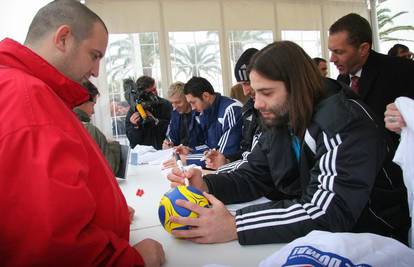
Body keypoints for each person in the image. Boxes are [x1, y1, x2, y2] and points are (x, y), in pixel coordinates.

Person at [167, 41, 409, 245]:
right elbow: (253, 174)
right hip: (326, 239)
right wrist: (207, 185)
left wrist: (235, 225)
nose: (258, 104)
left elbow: (327, 211)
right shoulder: (282, 116)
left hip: (373, 240)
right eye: (255, 93)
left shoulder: (344, 121)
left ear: (297, 87)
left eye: (267, 93)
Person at [0, 1, 164, 266]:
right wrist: (130, 260)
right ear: (63, 38)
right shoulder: (27, 99)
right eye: (95, 55)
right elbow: (50, 242)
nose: (96, 71)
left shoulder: (23, 90)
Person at [328, 13, 414, 150]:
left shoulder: (402, 71)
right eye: (331, 52)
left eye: (338, 52)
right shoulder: (341, 80)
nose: (332, 59)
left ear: (363, 49)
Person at [205, 48, 263, 172]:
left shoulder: (233, 109)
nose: (245, 91)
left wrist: (225, 167)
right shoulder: (248, 110)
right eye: (242, 84)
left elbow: (261, 165)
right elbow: (247, 151)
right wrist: (227, 161)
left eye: (248, 83)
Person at [178, 76, 243, 167]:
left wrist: (187, 159)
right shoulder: (205, 112)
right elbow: (210, 146)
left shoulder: (231, 109)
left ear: (206, 96)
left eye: (193, 102)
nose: (192, 108)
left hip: (236, 169)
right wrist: (191, 151)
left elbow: (223, 155)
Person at [74, 81, 121, 175]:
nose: (93, 112)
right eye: (93, 105)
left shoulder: (64, 123)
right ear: (82, 101)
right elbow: (110, 170)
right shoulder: (89, 129)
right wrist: (112, 145)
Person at [125, 75, 172, 149]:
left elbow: (172, 129)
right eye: (151, 92)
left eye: (155, 89)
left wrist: (156, 121)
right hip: (143, 154)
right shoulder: (133, 110)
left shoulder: (165, 104)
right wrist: (135, 126)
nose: (155, 93)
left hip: (163, 150)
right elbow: (133, 142)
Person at [162, 81, 204, 150]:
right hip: (180, 154)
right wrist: (169, 143)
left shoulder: (200, 113)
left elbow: (209, 144)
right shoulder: (174, 113)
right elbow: (171, 137)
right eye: (172, 103)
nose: (174, 107)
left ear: (187, 98)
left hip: (198, 155)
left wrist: (191, 150)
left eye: (178, 102)